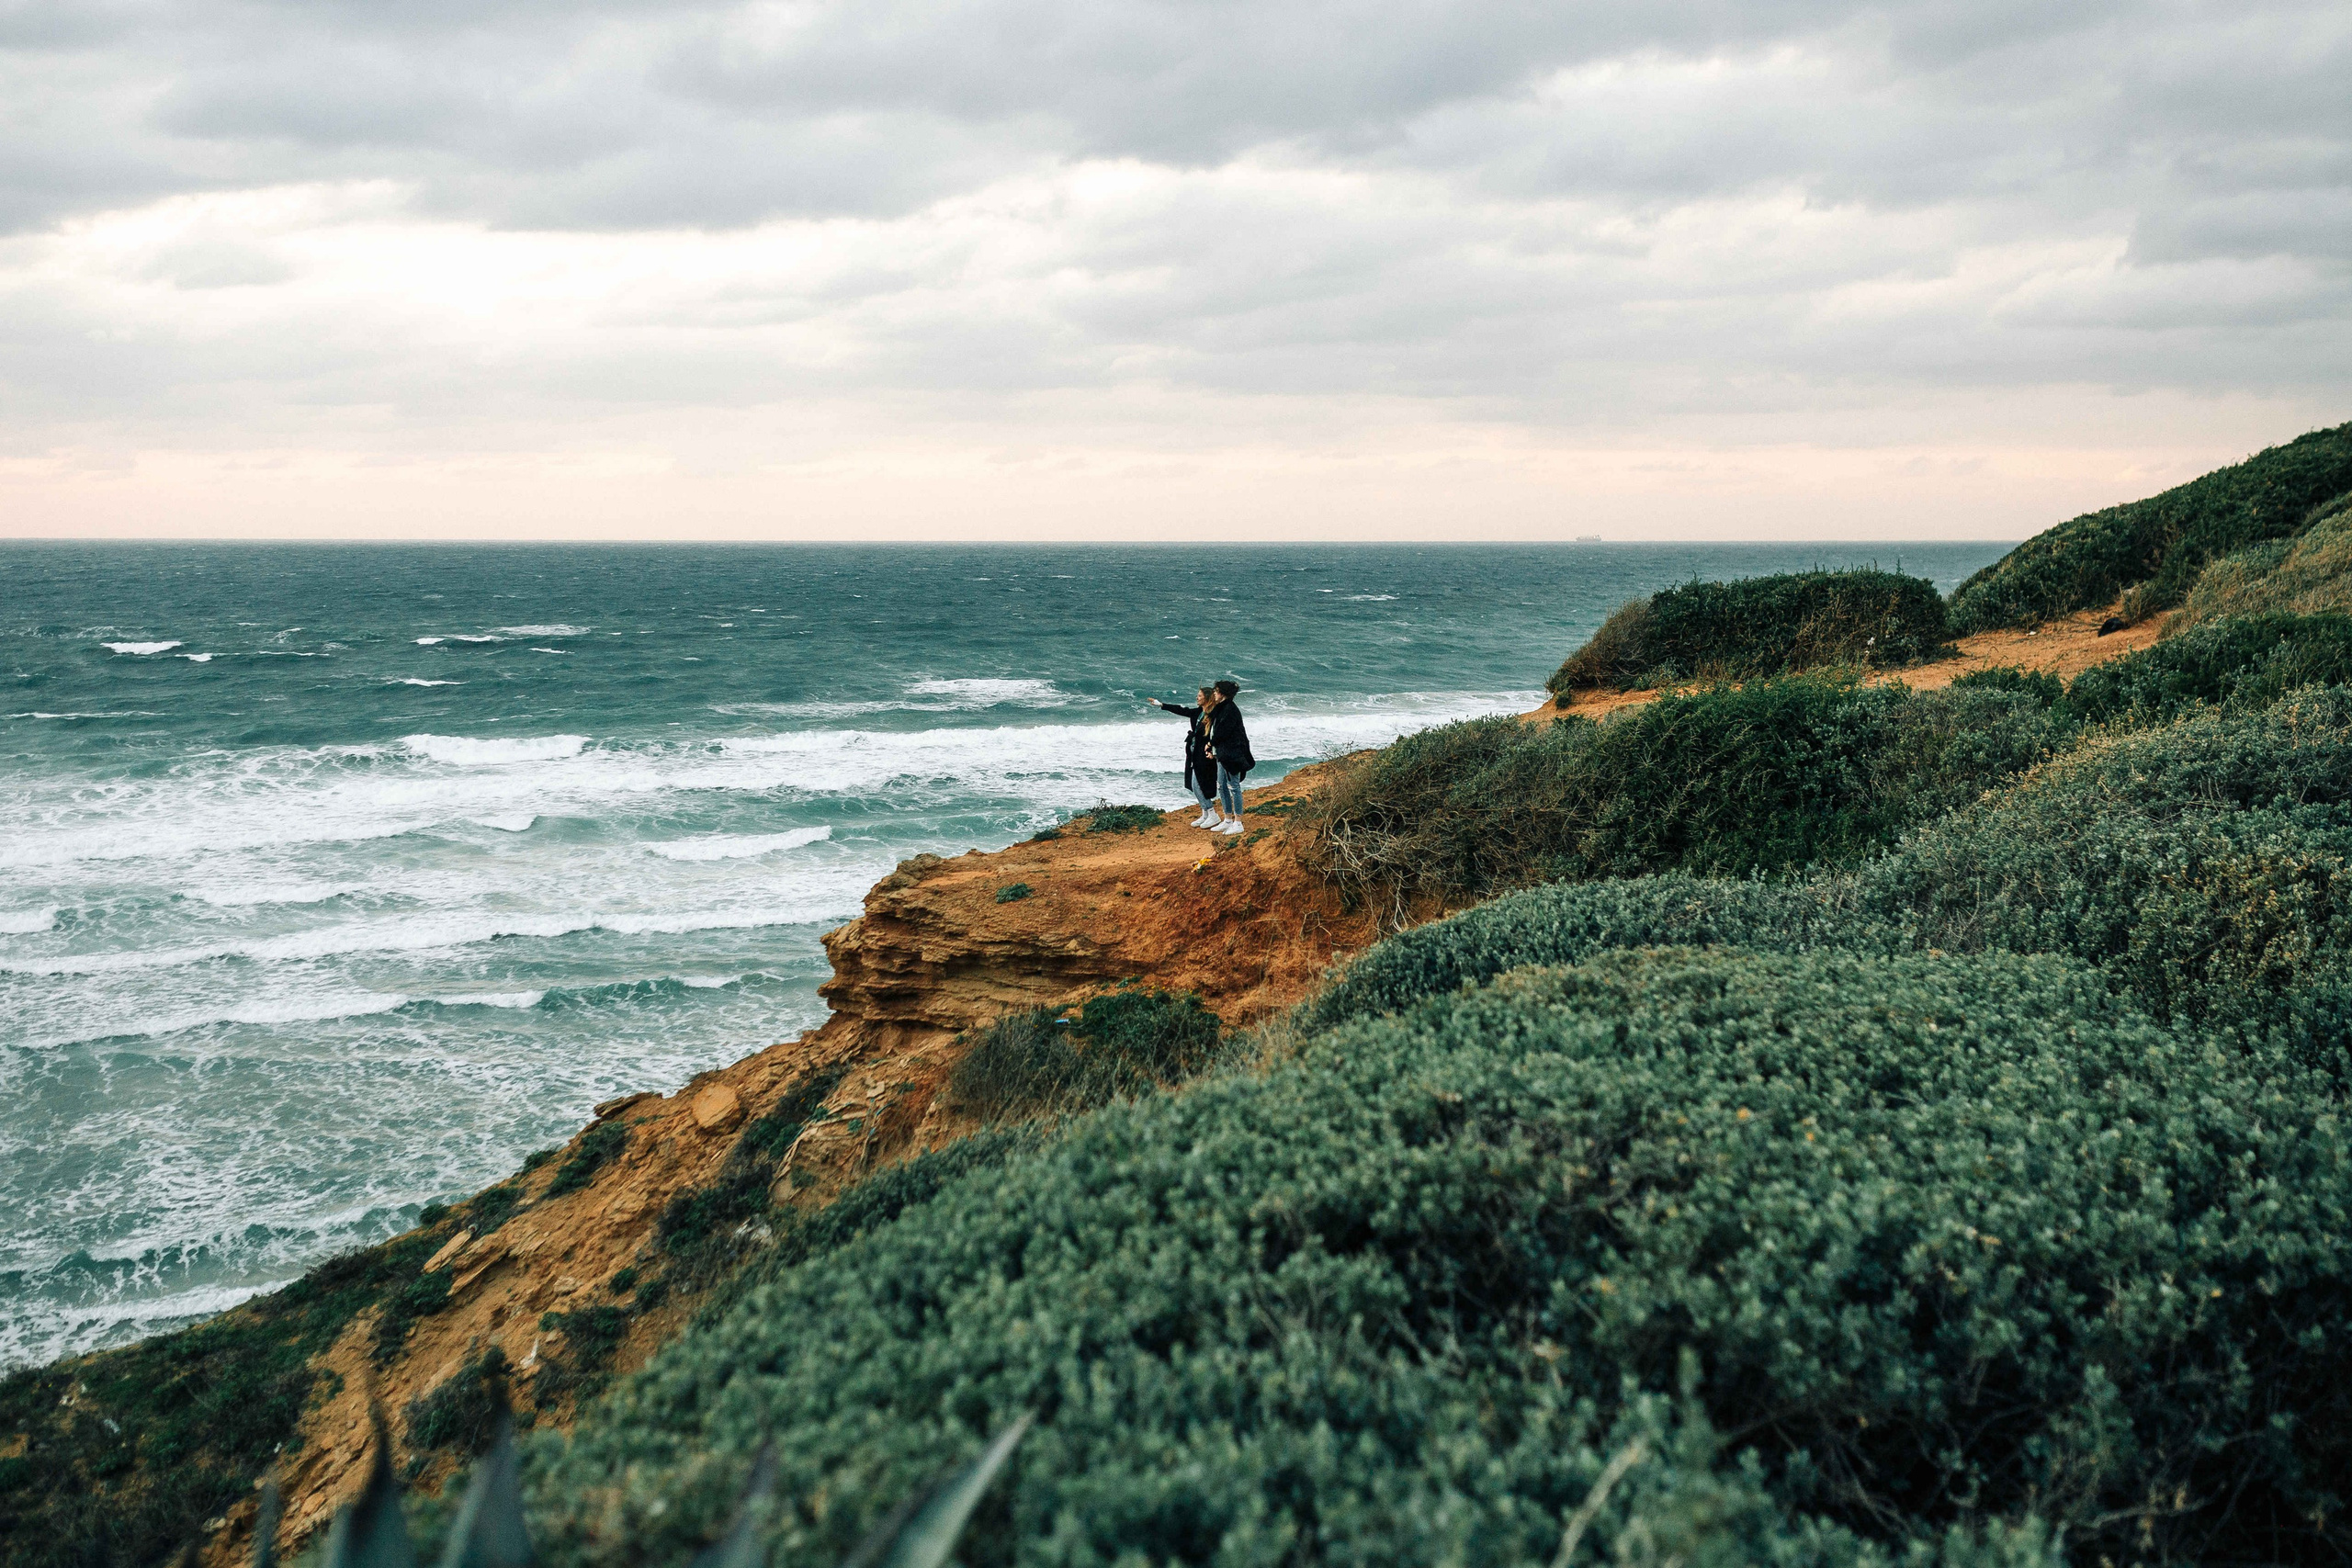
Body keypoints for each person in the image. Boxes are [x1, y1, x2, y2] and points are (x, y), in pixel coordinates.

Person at [1146, 686, 1224, 827]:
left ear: (1206, 698)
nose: (1197, 697)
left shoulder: (1213, 714)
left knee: (1198, 783)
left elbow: (1219, 733)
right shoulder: (1199, 712)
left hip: (1204, 754)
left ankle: (1213, 814)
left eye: (1199, 695)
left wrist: (1213, 750)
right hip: (1194, 753)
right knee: (1194, 783)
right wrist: (1162, 705)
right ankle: (1205, 813)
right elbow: (1182, 710)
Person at [1204, 679, 1254, 834]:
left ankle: (1238, 823)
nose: (1214, 693)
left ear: (1223, 694)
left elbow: (1223, 732)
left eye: (1216, 691)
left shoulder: (1231, 710)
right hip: (1222, 754)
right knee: (1221, 785)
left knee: (1234, 787)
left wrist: (1210, 743)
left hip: (1233, 755)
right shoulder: (1221, 708)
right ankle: (1227, 819)